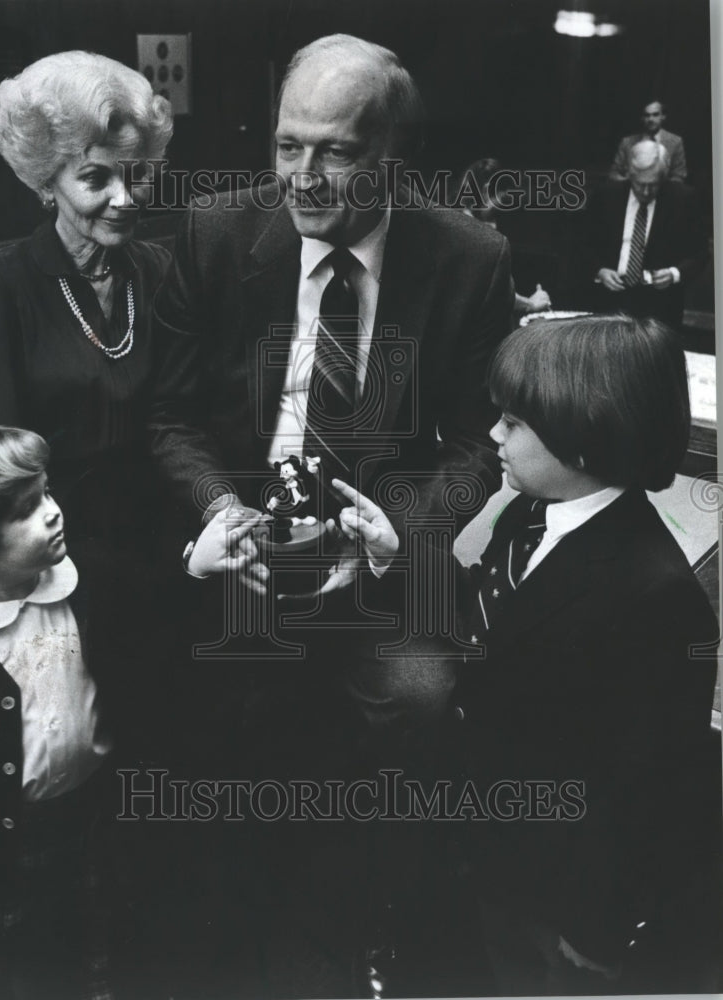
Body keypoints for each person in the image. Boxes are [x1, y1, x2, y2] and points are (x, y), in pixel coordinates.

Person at [151, 32, 513, 744]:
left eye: (336, 153)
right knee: (196, 718)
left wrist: (391, 537)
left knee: (420, 699)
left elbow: (479, 441)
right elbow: (170, 416)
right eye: (288, 146)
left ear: (394, 161)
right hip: (241, 557)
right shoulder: (216, 232)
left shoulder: (470, 259)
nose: (303, 177)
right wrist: (221, 511)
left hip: (383, 562)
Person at [341, 314, 718, 994]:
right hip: (477, 846)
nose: (493, 436)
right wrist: (398, 557)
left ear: (582, 440)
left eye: (513, 423)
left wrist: (596, 931)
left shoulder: (656, 599)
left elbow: (648, 791)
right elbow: (495, 620)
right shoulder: (532, 513)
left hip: (549, 899)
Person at [0, 425, 252, 999]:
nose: (54, 513)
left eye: (48, 493)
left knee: (107, 940)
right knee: (21, 964)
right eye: (27, 510)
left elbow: (158, 611)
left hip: (102, 816)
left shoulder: (90, 578)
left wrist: (195, 569)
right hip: (11, 849)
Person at [0, 51, 174, 744]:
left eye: (136, 175)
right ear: (46, 182)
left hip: (172, 554)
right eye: (97, 178)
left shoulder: (159, 270)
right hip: (61, 574)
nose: (126, 198)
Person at [586, 139, 705, 328]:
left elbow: (700, 253)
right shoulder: (606, 196)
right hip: (610, 299)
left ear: (664, 178)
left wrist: (675, 273)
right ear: (629, 174)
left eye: (654, 184)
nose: (646, 191)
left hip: (660, 305)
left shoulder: (685, 200)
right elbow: (581, 243)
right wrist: (599, 270)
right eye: (640, 184)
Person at [456, 157, 552, 315]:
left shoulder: (455, 220)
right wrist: (531, 304)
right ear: (488, 189)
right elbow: (485, 293)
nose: (501, 207)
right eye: (503, 197)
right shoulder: (468, 233)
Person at [610, 100, 687, 183]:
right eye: (647, 115)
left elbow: (679, 175)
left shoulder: (675, 142)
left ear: (663, 116)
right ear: (642, 118)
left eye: (655, 115)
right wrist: (630, 183)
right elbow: (614, 173)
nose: (650, 119)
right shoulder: (627, 142)